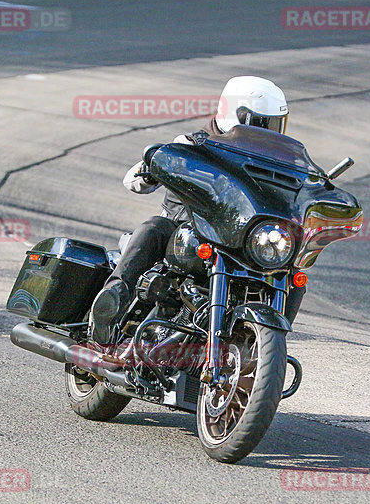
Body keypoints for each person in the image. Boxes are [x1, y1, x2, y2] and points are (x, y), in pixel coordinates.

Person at [90, 76, 305, 344]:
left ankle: (265, 343)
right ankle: (112, 302)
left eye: (274, 125)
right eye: (262, 123)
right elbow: (132, 180)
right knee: (153, 228)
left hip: (243, 241)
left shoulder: (281, 162)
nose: (268, 133)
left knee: (294, 272)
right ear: (233, 113)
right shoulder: (195, 143)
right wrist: (151, 169)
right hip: (186, 231)